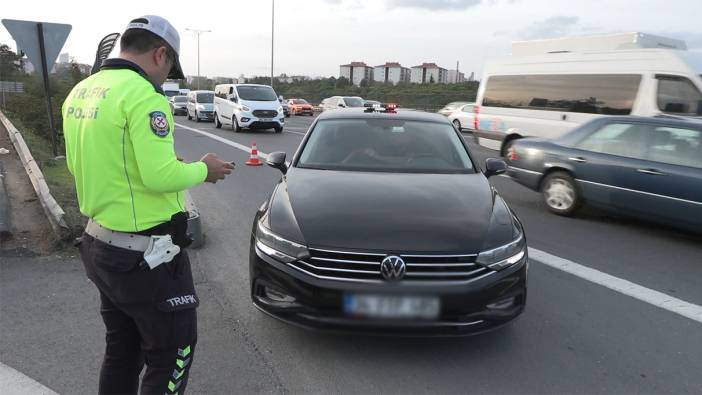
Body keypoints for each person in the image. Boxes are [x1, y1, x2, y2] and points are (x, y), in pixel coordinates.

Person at [62, 15, 233, 394]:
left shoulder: (82, 91)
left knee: (122, 351)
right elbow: (159, 176)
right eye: (170, 68)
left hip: (99, 245)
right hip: (144, 256)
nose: (166, 78)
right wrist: (203, 170)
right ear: (160, 54)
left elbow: (77, 165)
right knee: (174, 350)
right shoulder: (143, 96)